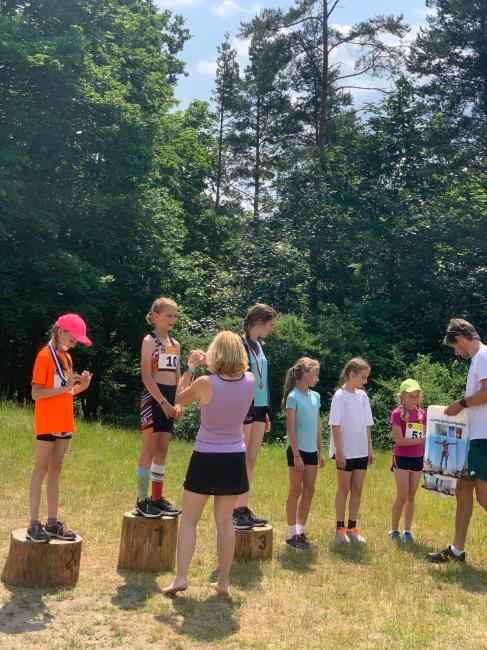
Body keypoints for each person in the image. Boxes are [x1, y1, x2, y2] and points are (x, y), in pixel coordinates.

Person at [162, 332, 254, 597]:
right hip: (234, 457)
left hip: (206, 456)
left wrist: (191, 367)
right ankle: (223, 582)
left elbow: (179, 397)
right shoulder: (250, 380)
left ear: (216, 353)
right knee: (225, 522)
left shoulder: (205, 383)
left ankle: (181, 578)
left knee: (190, 519)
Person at [27, 314, 93, 543]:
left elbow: (67, 392)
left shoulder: (66, 358)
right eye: (73, 339)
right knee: (40, 470)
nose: (74, 344)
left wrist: (82, 386)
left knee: (55, 470)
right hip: (47, 422)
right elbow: (36, 393)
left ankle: (52, 523)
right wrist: (65, 387)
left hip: (65, 422)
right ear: (61, 331)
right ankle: (33, 524)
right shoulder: (44, 356)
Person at [427, 318, 487, 563]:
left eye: (455, 348)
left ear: (460, 340)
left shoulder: (483, 356)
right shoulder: (478, 359)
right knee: (463, 489)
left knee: (483, 495)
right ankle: (457, 550)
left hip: (483, 437)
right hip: (475, 435)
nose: (456, 353)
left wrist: (460, 404)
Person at [136, 297, 181, 518]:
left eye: (175, 315)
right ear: (155, 316)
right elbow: (146, 376)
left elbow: (178, 377)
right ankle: (142, 499)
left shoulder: (175, 344)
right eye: (168, 315)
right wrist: (162, 402)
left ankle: (157, 498)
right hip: (154, 398)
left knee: (163, 451)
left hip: (171, 398)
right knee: (150, 449)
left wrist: (179, 402)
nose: (173, 319)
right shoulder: (149, 341)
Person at [233, 303, 277, 530]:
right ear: (259, 322)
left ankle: (243, 508)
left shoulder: (260, 345)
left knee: (251, 460)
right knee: (240, 460)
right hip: (245, 406)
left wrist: (266, 410)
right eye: (271, 325)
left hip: (260, 407)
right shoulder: (239, 344)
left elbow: (264, 377)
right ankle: (234, 511)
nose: (272, 329)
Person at [329, 357, 374, 544]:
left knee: (357, 488)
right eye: (363, 377)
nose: (365, 381)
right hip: (345, 452)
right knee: (344, 488)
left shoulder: (363, 396)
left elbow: (367, 424)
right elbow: (335, 426)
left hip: (361, 451)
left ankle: (352, 527)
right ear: (351, 375)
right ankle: (340, 528)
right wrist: (339, 452)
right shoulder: (339, 397)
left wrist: (370, 448)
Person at [283, 358, 324, 550]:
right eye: (315, 374)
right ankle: (292, 534)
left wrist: (320, 450)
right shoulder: (293, 397)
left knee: (309, 490)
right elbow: (290, 428)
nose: (317, 378)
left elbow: (317, 424)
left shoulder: (316, 396)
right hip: (296, 451)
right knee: (295, 490)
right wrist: (297, 455)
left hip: (311, 451)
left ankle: (300, 531)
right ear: (305, 374)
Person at [389, 379, 426, 543]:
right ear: (402, 396)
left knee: (411, 496)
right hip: (402, 458)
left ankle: (408, 531)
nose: (414, 399)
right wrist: (422, 440)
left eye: (417, 395)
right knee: (402, 495)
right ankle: (394, 530)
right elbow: (400, 441)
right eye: (411, 396)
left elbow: (426, 438)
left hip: (417, 458)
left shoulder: (423, 414)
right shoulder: (396, 413)